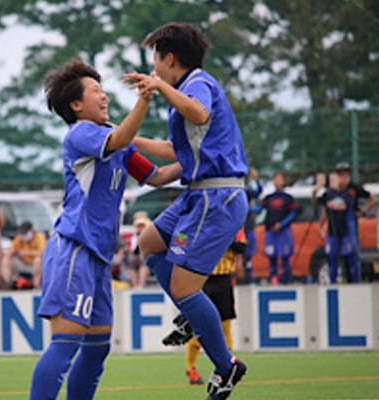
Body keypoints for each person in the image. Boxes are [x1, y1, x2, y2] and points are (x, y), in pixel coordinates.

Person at [29, 59, 181, 400]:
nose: (103, 96)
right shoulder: (82, 132)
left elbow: (155, 176)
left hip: (97, 258)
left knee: (97, 349)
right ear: (76, 105)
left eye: (103, 89)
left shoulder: (113, 137)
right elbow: (122, 136)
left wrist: (200, 160)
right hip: (74, 250)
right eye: (95, 90)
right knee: (65, 345)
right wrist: (145, 97)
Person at [124, 22, 248, 399]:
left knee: (183, 286)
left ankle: (226, 368)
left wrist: (159, 88)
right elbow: (169, 156)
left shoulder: (197, 84)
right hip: (199, 194)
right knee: (148, 242)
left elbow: (198, 114)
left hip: (217, 197)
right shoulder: (186, 91)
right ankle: (192, 314)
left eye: (155, 63)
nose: (153, 70)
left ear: (169, 59)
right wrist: (121, 139)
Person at [163, 229, 246, 386]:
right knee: (198, 327)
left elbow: (241, 246)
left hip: (224, 279)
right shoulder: (197, 221)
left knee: (225, 326)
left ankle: (228, 367)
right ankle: (190, 368)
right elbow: (180, 240)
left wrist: (215, 238)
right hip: (201, 278)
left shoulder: (234, 222)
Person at [314, 163, 377, 283]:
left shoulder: (353, 189)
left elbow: (373, 199)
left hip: (348, 227)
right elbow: (324, 209)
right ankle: (333, 283)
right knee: (332, 257)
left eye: (346, 175)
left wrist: (362, 212)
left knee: (351, 257)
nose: (343, 178)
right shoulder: (330, 192)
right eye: (340, 174)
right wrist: (321, 224)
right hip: (333, 229)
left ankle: (355, 282)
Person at [257, 172, 297, 285]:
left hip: (284, 232)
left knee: (285, 258)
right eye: (275, 179)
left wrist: (282, 224)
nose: (278, 181)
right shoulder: (268, 198)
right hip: (271, 232)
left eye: (280, 178)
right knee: (272, 258)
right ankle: (273, 280)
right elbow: (259, 209)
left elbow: (293, 214)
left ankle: (286, 281)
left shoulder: (288, 198)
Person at [0, 221, 46, 289]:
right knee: (5, 260)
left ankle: (36, 285)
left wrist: (24, 252)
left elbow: (42, 252)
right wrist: (9, 254)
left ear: (31, 230)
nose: (23, 235)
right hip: (23, 263)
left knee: (38, 259)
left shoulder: (39, 238)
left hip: (35, 265)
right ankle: (7, 284)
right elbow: (11, 250)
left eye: (25, 233)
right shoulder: (19, 238)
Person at [242, 167, 262, 284]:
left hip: (248, 228)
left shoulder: (246, 191)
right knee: (233, 256)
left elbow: (259, 192)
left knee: (248, 257)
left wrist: (257, 179)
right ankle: (234, 280)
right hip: (236, 229)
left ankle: (248, 281)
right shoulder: (232, 190)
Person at [127, 211, 152, 288]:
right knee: (131, 264)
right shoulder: (133, 235)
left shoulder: (150, 234)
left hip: (146, 256)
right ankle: (135, 285)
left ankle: (141, 285)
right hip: (135, 256)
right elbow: (132, 248)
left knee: (143, 265)